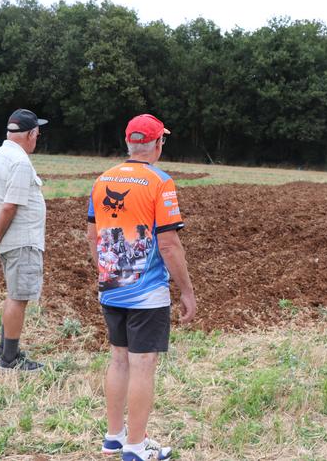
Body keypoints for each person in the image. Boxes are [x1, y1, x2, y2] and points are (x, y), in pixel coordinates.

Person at [87, 114, 196, 461]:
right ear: (158, 144)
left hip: (112, 286)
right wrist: (187, 291)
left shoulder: (103, 179)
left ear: (129, 142)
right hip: (147, 294)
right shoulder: (160, 182)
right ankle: (135, 448)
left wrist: (105, 271)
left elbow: (93, 234)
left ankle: (114, 437)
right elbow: (168, 244)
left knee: (119, 359)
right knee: (143, 362)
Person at [0, 108, 48, 372]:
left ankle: (4, 349)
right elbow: (9, 207)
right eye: (37, 134)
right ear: (29, 134)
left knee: (13, 295)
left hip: (9, 241)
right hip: (21, 241)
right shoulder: (19, 162)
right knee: (18, 298)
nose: (37, 139)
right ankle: (10, 359)